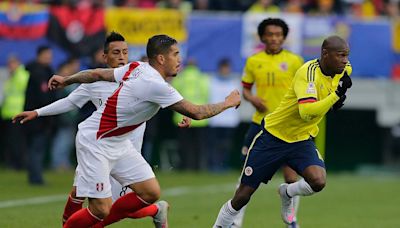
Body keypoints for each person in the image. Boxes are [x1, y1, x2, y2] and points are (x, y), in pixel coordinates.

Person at [45, 34, 241, 228]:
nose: (180, 59)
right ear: (161, 59)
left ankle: (154, 211)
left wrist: (67, 80)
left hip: (118, 142)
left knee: (150, 192)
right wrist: (228, 103)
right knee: (100, 208)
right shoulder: (155, 85)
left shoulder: (137, 67)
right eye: (176, 54)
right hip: (96, 140)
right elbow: (197, 112)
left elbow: (97, 74)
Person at [13, 32, 176, 227]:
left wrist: (183, 117)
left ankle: (156, 210)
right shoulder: (95, 81)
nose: (122, 56)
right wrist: (37, 112)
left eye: (125, 52)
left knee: (112, 208)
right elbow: (70, 102)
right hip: (97, 147)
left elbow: (168, 100)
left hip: (126, 152)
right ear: (105, 57)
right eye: (116, 52)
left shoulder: (140, 78)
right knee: (79, 194)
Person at [213, 35, 352, 227]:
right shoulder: (307, 73)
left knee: (318, 181)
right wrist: (335, 96)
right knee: (242, 196)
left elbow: (332, 92)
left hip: (301, 139)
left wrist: (334, 98)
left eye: (347, 56)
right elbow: (306, 112)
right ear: (325, 54)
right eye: (341, 55)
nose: (345, 61)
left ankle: (287, 192)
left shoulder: (344, 69)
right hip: (273, 137)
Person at [237, 18, 304, 228]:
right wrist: (252, 98)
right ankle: (235, 222)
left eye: (278, 34)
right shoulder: (253, 61)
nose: (274, 38)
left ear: (284, 37)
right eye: (270, 34)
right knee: (247, 176)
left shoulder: (295, 61)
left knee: (291, 178)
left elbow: (304, 90)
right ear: (263, 37)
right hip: (261, 124)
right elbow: (246, 88)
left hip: (287, 125)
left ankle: (291, 221)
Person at [24, 45, 56, 185]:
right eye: (47, 55)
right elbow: (43, 96)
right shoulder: (39, 72)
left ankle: (34, 175)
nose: (49, 57)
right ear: (40, 55)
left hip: (35, 115)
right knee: (37, 147)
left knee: (35, 147)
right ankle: (36, 178)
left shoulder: (41, 70)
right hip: (37, 116)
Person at [207, 58, 241, 172]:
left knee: (226, 144)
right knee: (214, 144)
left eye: (228, 68)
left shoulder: (234, 82)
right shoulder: (211, 81)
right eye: (224, 68)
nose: (226, 70)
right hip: (215, 119)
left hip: (229, 120)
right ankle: (214, 165)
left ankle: (223, 164)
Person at [0, 55, 29, 170]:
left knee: (17, 140)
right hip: (9, 112)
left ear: (18, 63)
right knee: (12, 140)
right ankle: (13, 162)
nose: (10, 66)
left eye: (12, 63)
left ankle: (18, 164)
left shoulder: (22, 76)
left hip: (18, 112)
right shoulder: (13, 76)